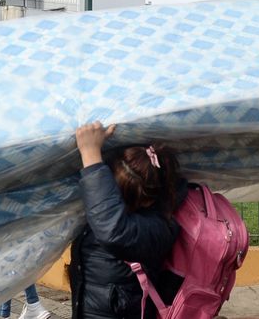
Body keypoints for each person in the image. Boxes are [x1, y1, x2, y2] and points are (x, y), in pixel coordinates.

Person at [69, 122, 187, 319]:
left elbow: (113, 230)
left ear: (149, 199)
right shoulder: (143, 212)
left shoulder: (159, 226)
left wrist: (90, 153)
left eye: (117, 194)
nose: (110, 197)